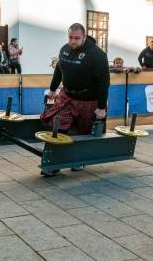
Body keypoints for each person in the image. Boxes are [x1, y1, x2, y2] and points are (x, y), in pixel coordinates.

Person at [40, 23, 110, 176]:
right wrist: (53, 89)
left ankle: (78, 160)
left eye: (77, 38)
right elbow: (59, 69)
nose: (73, 41)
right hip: (67, 97)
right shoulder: (64, 49)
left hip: (89, 100)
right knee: (58, 126)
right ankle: (53, 164)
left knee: (83, 133)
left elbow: (104, 82)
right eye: (70, 37)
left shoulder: (97, 54)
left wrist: (101, 107)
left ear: (84, 37)